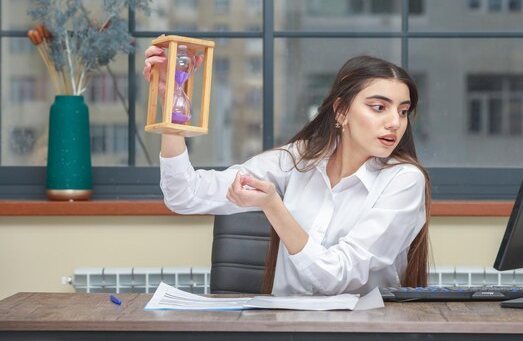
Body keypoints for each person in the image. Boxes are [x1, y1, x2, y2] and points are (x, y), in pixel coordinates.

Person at [143, 49, 431, 296]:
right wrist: (171, 103)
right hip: (282, 327)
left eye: (403, 111)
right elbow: (184, 195)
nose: (395, 122)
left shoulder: (404, 181)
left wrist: (272, 206)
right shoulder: (299, 159)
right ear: (341, 112)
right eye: (379, 107)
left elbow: (334, 277)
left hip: (361, 333)